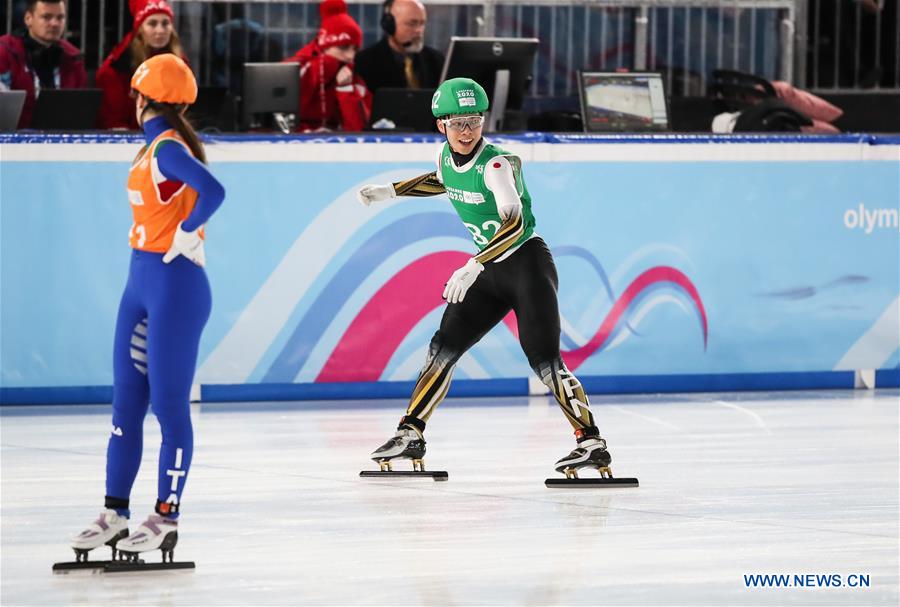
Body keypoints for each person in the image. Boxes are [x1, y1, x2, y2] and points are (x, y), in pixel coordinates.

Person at [357, 78, 612, 478]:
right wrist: (391, 191)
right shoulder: (444, 156)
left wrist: (474, 263)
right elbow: (441, 180)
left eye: (474, 121)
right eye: (457, 123)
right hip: (488, 270)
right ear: (441, 125)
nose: (466, 131)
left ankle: (591, 442)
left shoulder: (496, 165)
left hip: (526, 265)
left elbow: (513, 224)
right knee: (443, 347)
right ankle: (410, 433)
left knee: (546, 362)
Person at [69, 54, 224, 561]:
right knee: (126, 405)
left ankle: (166, 515)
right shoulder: (152, 150)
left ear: (141, 98)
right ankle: (115, 512)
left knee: (170, 408)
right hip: (142, 282)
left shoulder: (167, 148)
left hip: (175, 285)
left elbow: (213, 190)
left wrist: (187, 231)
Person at [95, 0, 188, 130]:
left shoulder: (180, 61)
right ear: (140, 28)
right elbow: (114, 121)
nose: (160, 30)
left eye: (165, 23)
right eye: (152, 23)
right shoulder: (118, 65)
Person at [283, 0, 371, 132]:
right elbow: (280, 119)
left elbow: (358, 131)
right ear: (324, 46)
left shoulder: (354, 78)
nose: (350, 56)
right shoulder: (297, 71)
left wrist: (345, 89)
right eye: (343, 47)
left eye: (355, 50)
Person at [0, 0, 86, 128]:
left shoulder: (74, 58)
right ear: (28, 18)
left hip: (63, 142)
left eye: (60, 17)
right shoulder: (5, 52)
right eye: (47, 17)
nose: (55, 23)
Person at [355, 0, 444, 96]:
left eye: (422, 23)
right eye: (412, 24)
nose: (419, 30)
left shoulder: (436, 60)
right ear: (389, 25)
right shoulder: (365, 62)